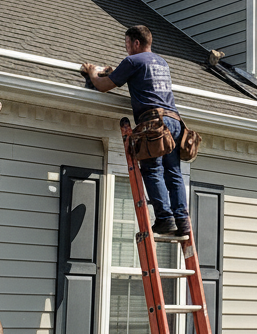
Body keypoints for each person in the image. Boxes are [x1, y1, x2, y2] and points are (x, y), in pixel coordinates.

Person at [81, 25, 189, 236]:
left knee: (152, 169)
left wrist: (93, 73)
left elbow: (103, 86)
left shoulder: (133, 61)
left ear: (136, 43)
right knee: (174, 173)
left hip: (154, 123)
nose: (126, 48)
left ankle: (165, 219)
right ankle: (182, 221)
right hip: (175, 121)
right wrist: (116, 73)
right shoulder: (162, 62)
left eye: (127, 43)